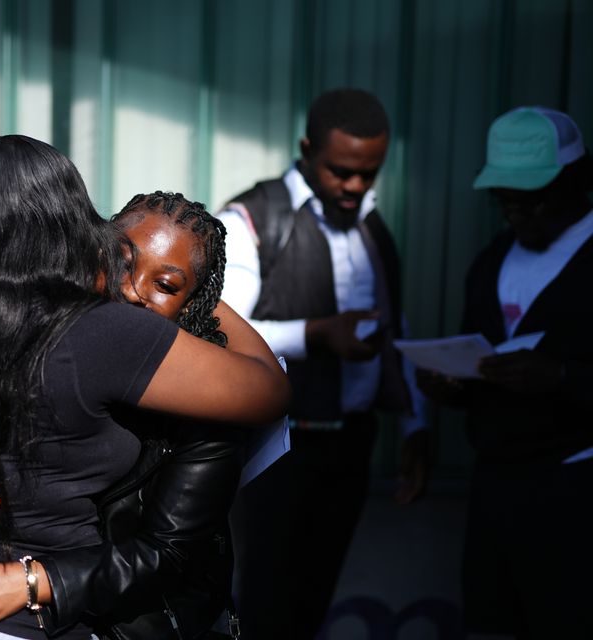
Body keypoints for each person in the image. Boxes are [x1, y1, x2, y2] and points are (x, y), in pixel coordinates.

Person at [0, 136, 291, 640]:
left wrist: (33, 581)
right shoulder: (61, 326)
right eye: (122, 259)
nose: (132, 290)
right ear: (79, 231)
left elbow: (167, 551)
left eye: (165, 283)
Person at [217, 88, 429, 638]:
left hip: (353, 444)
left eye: (369, 173)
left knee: (314, 600)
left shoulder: (372, 224)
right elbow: (219, 336)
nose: (356, 186)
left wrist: (415, 422)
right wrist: (315, 335)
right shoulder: (252, 220)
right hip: (277, 453)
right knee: (267, 602)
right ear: (306, 148)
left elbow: (393, 326)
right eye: (341, 172)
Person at [418, 106, 593, 638]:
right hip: (496, 483)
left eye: (533, 199)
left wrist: (562, 376)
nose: (519, 215)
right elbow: (480, 359)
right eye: (506, 201)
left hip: (576, 486)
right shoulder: (492, 259)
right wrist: (452, 384)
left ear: (578, 180)